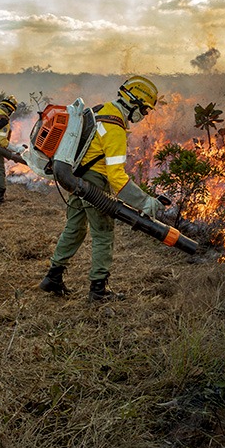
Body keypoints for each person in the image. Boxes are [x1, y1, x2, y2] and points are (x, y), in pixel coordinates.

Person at [39, 76, 165, 301]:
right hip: (93, 182)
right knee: (103, 233)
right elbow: (117, 177)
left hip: (76, 177)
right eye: (144, 109)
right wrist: (147, 203)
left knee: (75, 228)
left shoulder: (102, 110)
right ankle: (98, 290)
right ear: (134, 103)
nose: (144, 115)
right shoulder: (115, 127)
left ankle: (52, 278)